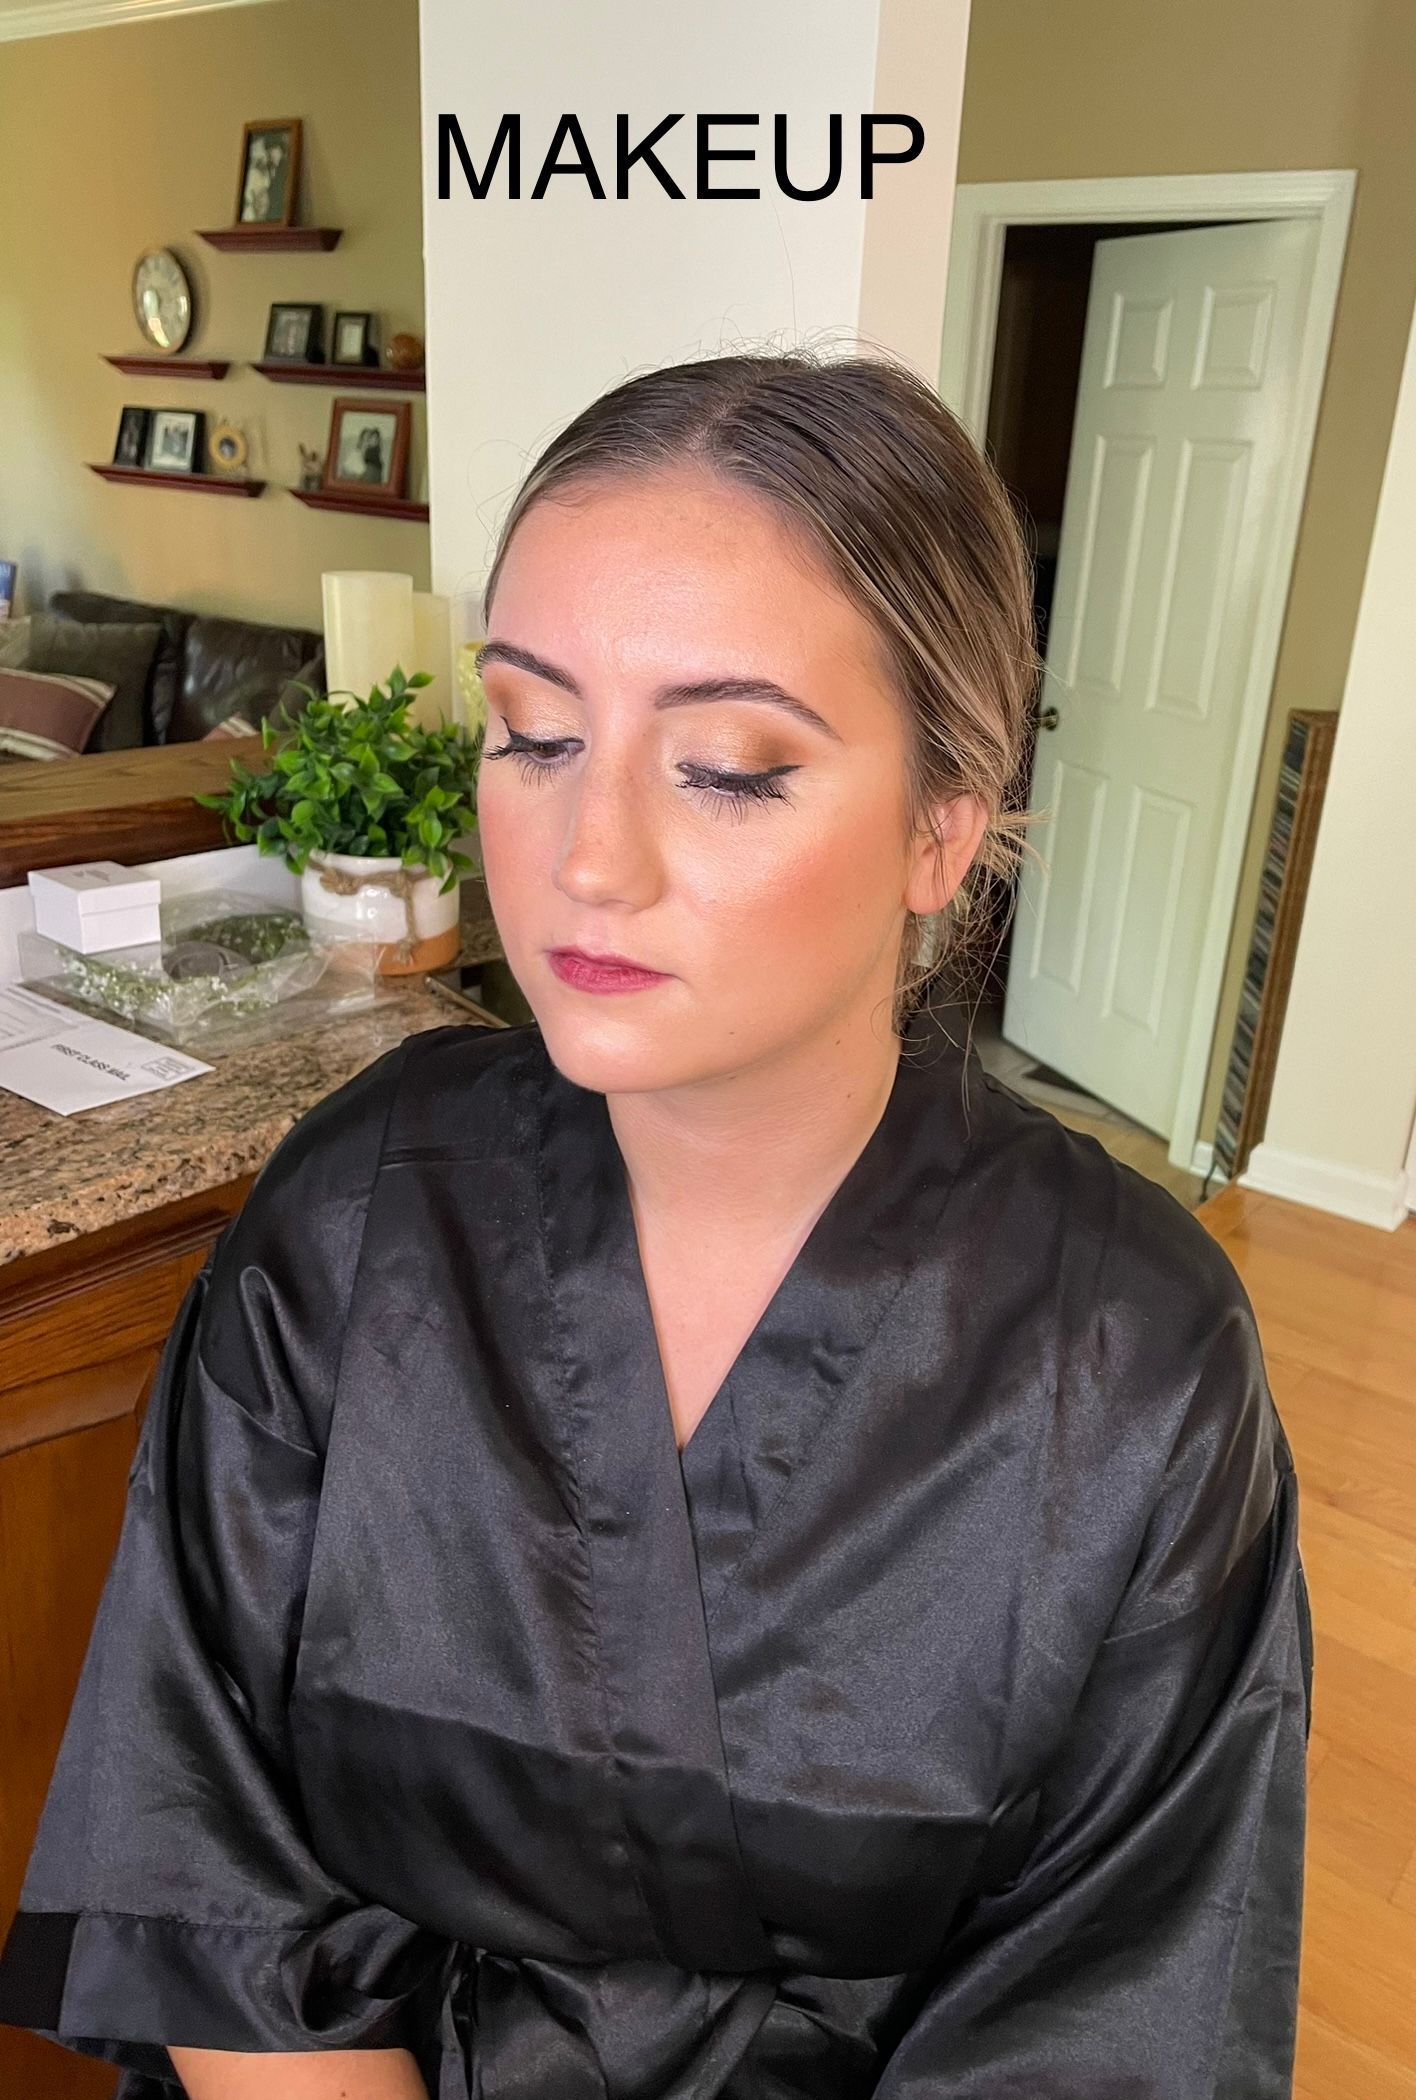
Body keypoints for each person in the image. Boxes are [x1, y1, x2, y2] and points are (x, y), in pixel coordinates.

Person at [0, 350, 1311, 2099]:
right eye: (535, 734)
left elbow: (1117, 2021)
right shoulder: (354, 1217)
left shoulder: (1133, 1361)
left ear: (943, 826)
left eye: (728, 768)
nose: (584, 854)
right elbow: (207, 1860)